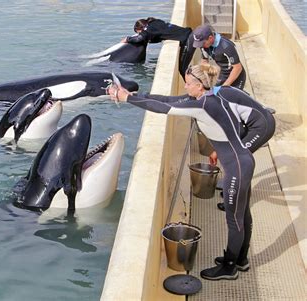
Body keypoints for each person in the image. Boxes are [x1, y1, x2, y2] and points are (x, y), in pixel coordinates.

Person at [106, 62, 276, 281]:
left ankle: (230, 267)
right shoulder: (211, 99)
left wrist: (125, 98)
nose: (185, 88)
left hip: (237, 167)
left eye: (188, 84)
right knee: (242, 214)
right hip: (242, 161)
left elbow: (165, 109)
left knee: (235, 219)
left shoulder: (203, 106)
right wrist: (134, 94)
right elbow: (169, 100)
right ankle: (241, 260)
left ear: (199, 85)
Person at [121, 17, 195, 80]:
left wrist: (127, 39)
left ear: (141, 28)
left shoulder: (148, 29)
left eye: (139, 32)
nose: (140, 33)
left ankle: (196, 87)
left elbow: (139, 38)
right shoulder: (155, 22)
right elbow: (158, 36)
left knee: (183, 69)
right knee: (184, 67)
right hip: (190, 34)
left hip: (187, 40)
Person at [192, 24, 246, 89]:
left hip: (237, 76)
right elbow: (204, 60)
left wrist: (225, 85)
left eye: (202, 43)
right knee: (216, 94)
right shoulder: (204, 46)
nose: (201, 46)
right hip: (223, 73)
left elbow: (237, 68)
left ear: (210, 38)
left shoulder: (226, 46)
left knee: (232, 96)